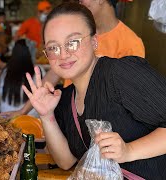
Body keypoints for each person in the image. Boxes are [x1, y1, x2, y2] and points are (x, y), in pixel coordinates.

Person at [22, 3, 166, 179]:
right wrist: (46, 116)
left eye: (72, 42)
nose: (63, 54)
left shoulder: (120, 74)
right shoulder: (66, 99)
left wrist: (128, 151)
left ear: (94, 40)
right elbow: (66, 161)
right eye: (53, 47)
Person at [2, 0, 146, 118]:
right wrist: (23, 111)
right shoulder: (77, 31)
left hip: (106, 127)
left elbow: (132, 98)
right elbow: (54, 72)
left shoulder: (130, 43)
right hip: (71, 116)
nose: (80, 2)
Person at [0, 39, 45, 117]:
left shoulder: (5, 71)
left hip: (6, 114)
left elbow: (0, 94)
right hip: (30, 117)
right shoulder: (38, 70)